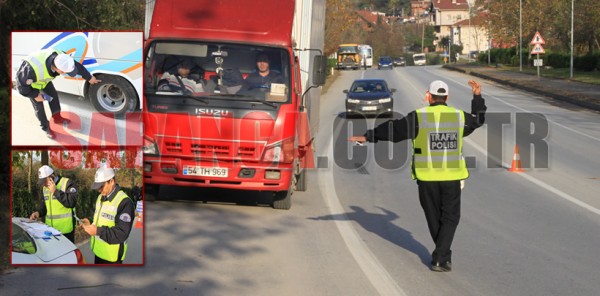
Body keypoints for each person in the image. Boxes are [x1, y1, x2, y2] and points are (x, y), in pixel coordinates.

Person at [350, 80, 486, 272]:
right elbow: (478, 120)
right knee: (450, 217)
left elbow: (393, 130)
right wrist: (477, 97)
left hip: (427, 176)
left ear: (428, 96)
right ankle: (441, 257)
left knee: (433, 217)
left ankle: (441, 256)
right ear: (447, 98)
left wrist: (368, 136)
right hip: (451, 176)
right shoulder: (458, 117)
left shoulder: (419, 117)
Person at [16, 48, 101, 139]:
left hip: (44, 81)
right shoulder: (30, 70)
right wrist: (35, 95)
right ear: (58, 69)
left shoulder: (63, 58)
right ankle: (45, 128)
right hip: (32, 87)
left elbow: (78, 67)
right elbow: (21, 87)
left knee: (52, 97)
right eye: (65, 72)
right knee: (39, 106)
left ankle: (57, 118)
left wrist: (89, 78)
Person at [81, 167, 135, 264]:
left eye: (101, 186)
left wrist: (97, 231)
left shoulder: (125, 202)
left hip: (112, 257)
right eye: (98, 187)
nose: (99, 190)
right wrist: (89, 221)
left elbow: (122, 233)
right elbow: (101, 217)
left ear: (111, 181)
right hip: (98, 252)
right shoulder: (101, 197)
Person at [30, 165, 78, 243]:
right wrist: (38, 213)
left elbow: (71, 202)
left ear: (52, 176)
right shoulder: (44, 188)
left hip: (65, 232)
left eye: (45, 181)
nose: (44, 184)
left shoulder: (68, 183)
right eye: (42, 182)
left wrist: (55, 191)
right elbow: (44, 207)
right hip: (50, 231)